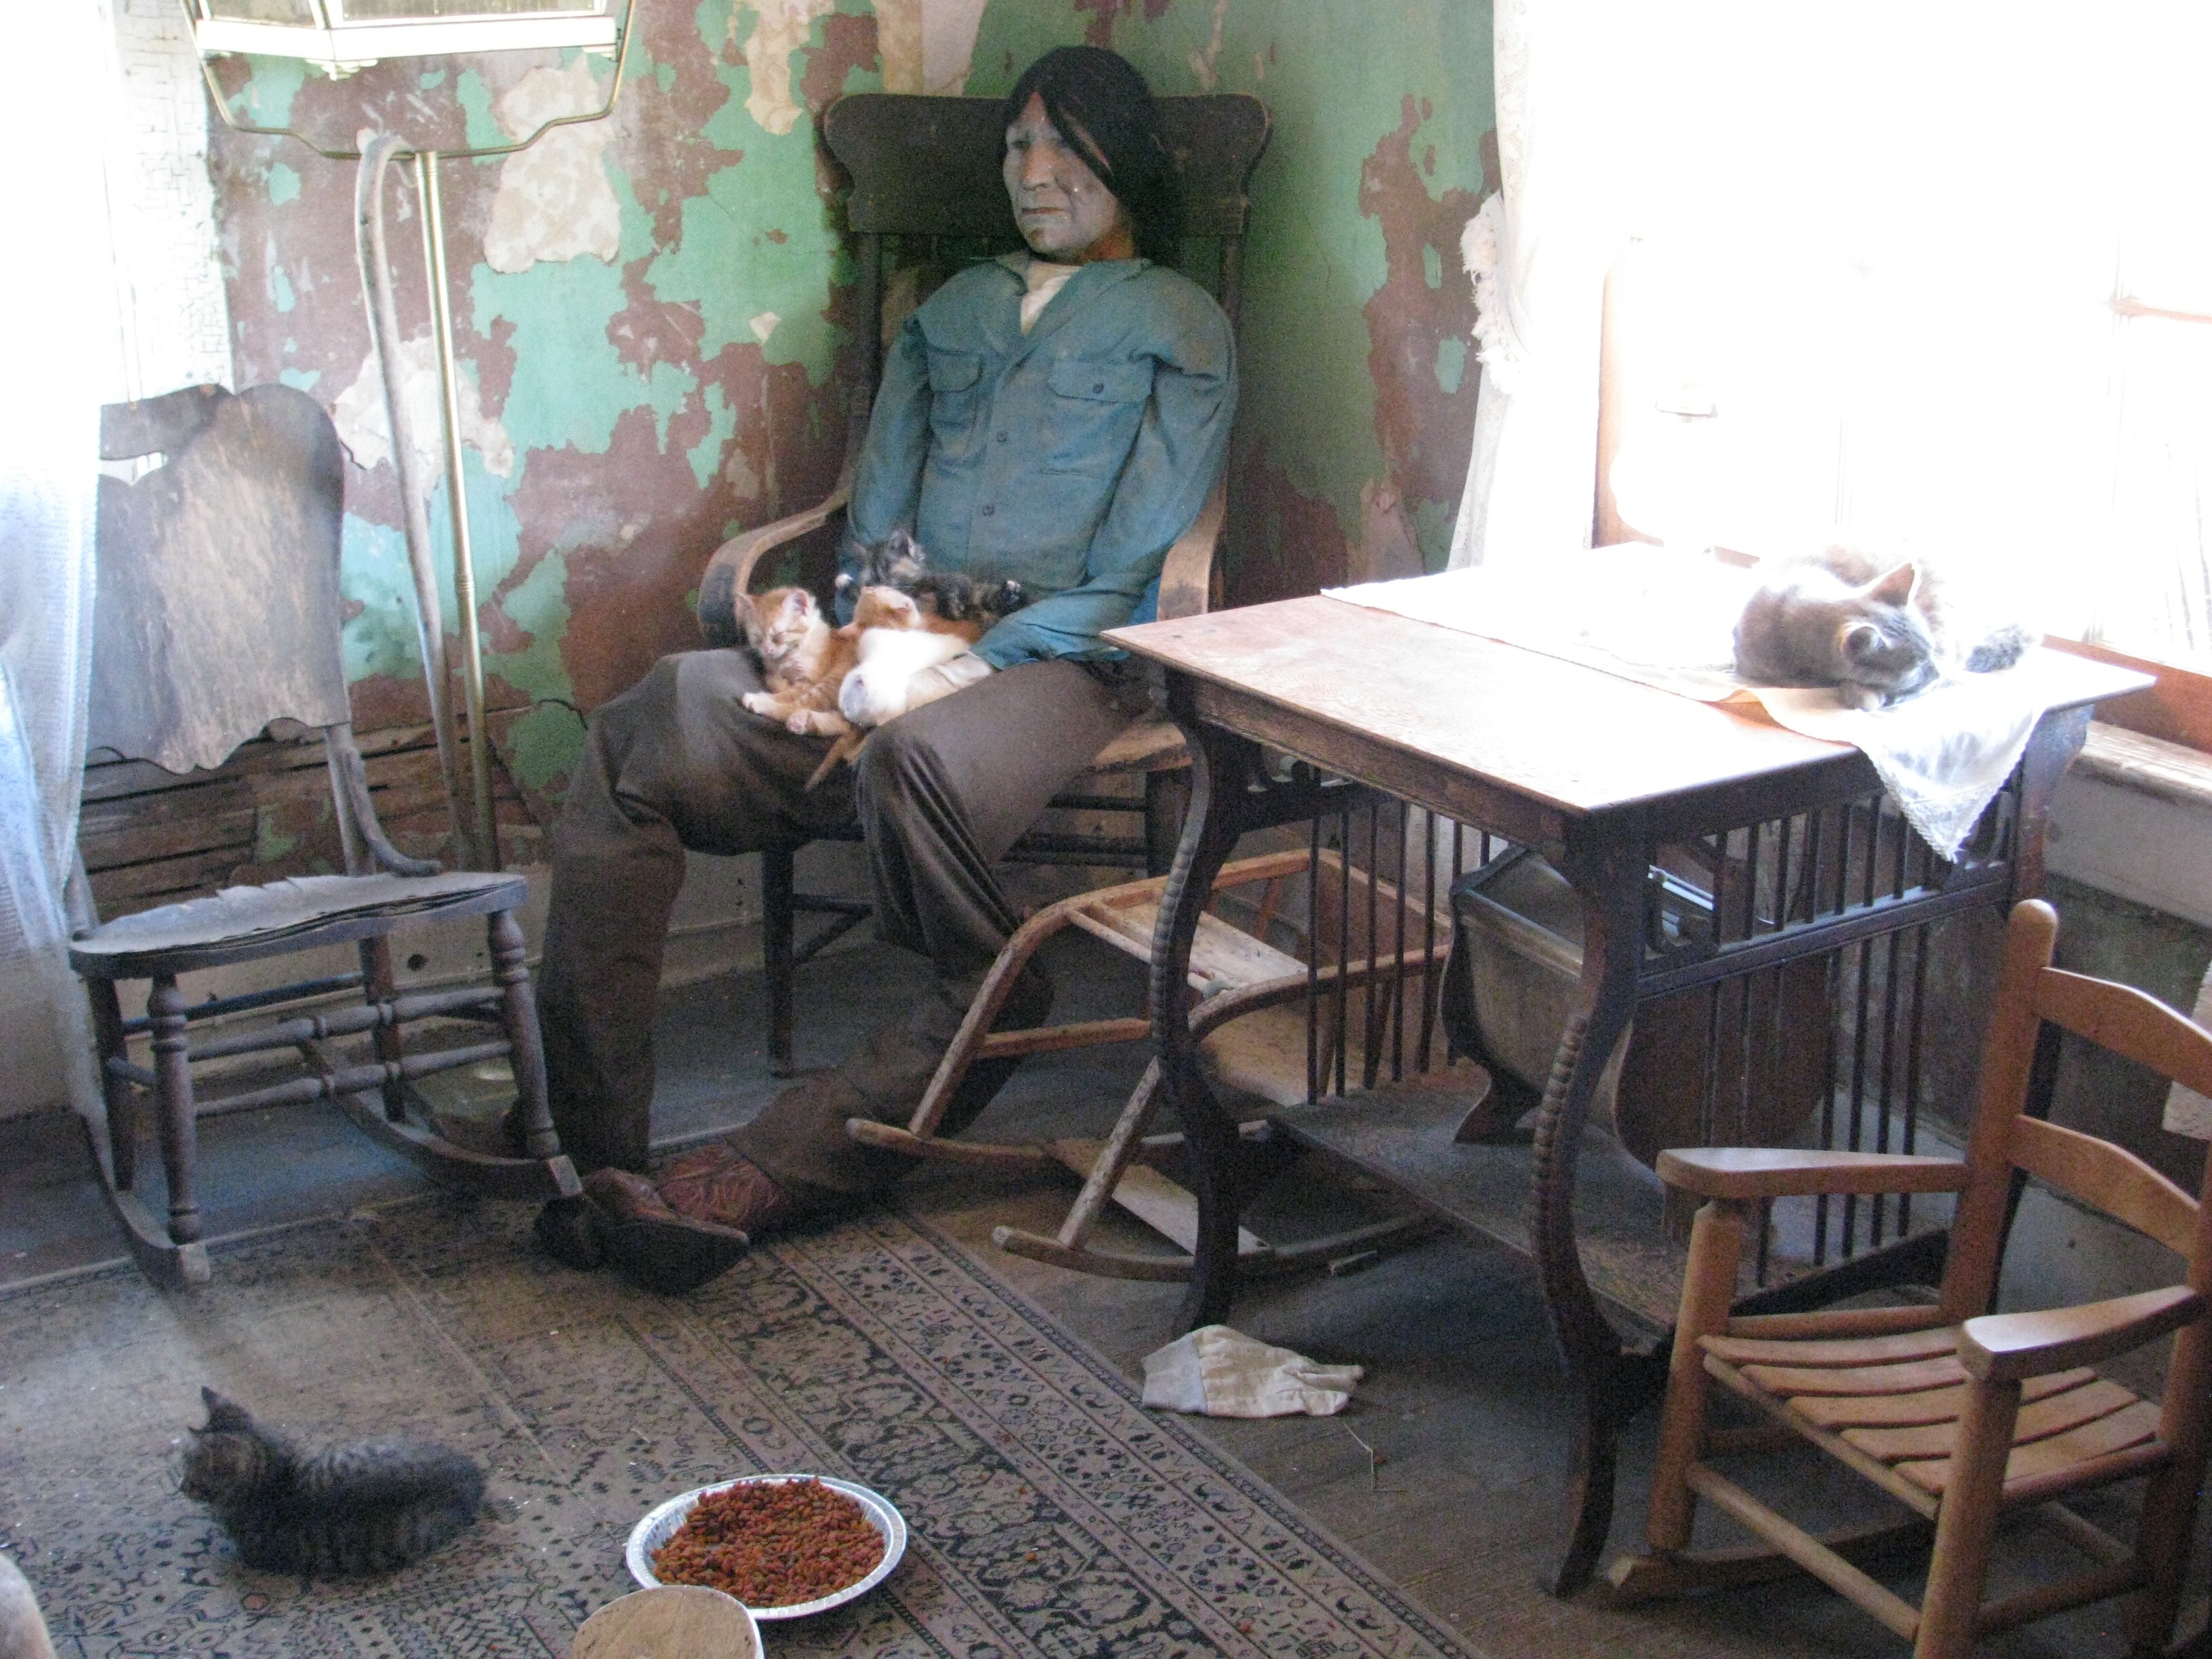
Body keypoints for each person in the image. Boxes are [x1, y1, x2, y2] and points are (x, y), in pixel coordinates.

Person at [533, 45, 1237, 1291]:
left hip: (1065, 662)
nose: (1033, 172)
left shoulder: (1179, 323)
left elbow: (1135, 569)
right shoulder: (948, 310)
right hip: (894, 640)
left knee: (913, 760)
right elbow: (874, 520)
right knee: (652, 720)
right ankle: (595, 1158)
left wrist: (970, 667)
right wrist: (865, 632)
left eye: (1066, 147)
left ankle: (775, 1165)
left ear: (1124, 162)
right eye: (1017, 144)